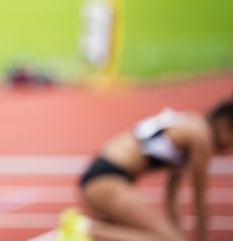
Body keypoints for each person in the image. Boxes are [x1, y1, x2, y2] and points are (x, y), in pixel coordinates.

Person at [57, 98, 233, 241]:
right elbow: (200, 198)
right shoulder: (201, 137)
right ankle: (86, 228)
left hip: (107, 178)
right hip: (107, 179)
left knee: (170, 237)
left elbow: (172, 192)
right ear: (226, 125)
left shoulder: (191, 124)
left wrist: (175, 229)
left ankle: (91, 226)